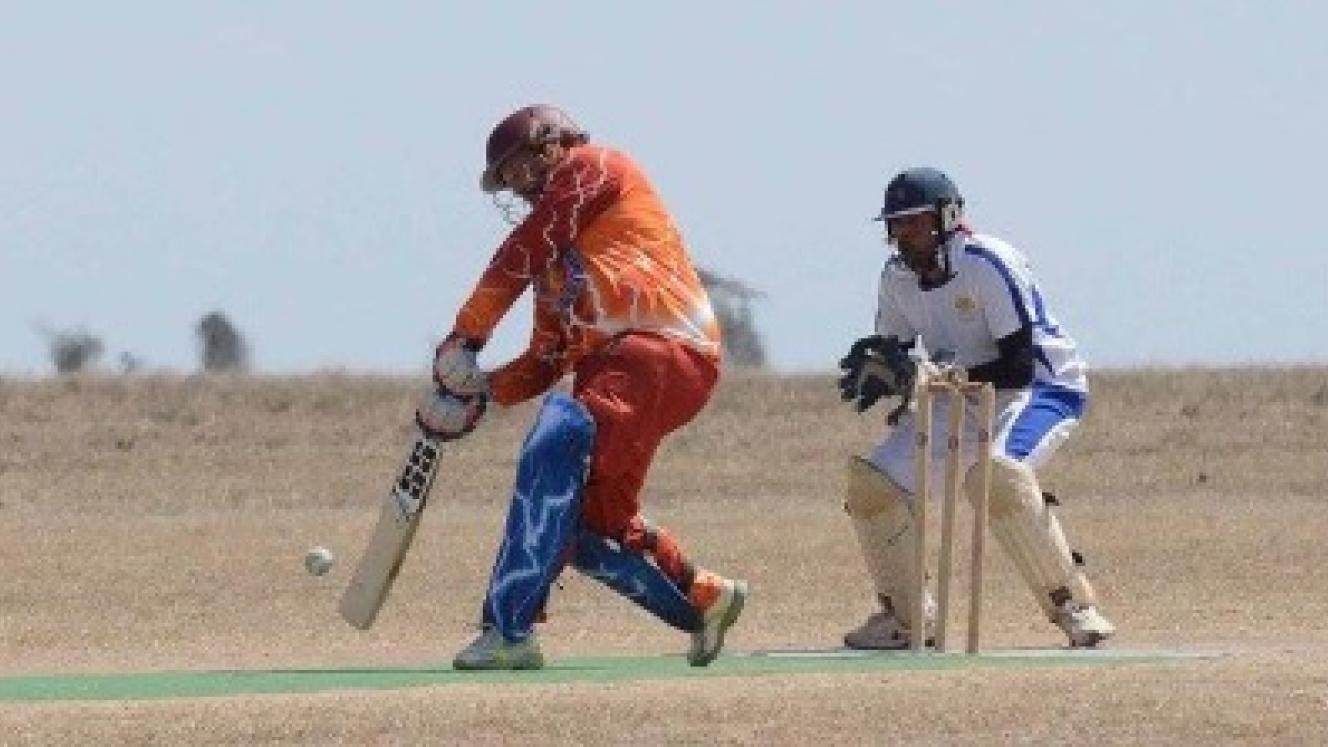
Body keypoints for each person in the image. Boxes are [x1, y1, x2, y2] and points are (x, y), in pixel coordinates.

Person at [416, 104, 748, 670]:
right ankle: (703, 599)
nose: (519, 187)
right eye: (509, 182)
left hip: (658, 347)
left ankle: (508, 632)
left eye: (521, 169)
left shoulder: (597, 166)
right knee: (589, 529)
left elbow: (522, 249)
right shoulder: (556, 270)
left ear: (554, 143)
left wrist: (464, 336)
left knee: (554, 442)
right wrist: (480, 394)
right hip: (625, 370)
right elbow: (547, 359)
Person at [836, 166, 1116, 649]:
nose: (905, 236)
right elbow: (898, 353)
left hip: (1040, 387)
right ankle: (910, 619)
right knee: (871, 487)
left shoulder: (986, 262)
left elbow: (1018, 365)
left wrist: (938, 377)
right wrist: (896, 377)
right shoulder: (896, 277)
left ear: (947, 218)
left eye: (916, 223)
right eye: (896, 225)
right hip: (957, 393)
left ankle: (1075, 606)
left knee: (997, 475)